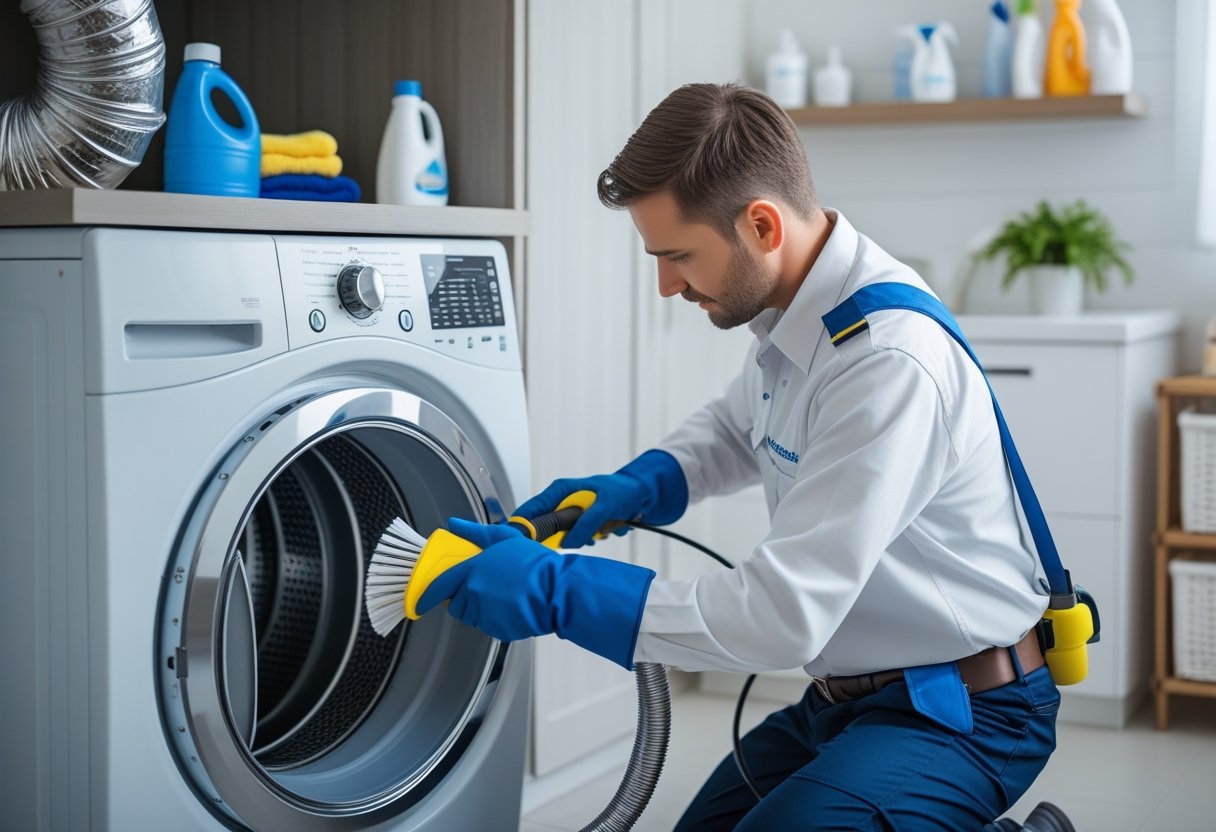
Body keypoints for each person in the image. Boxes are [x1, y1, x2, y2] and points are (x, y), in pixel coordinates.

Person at [414, 83, 1061, 830]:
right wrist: (639, 484)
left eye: (678, 255)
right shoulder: (800, 317)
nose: (665, 285)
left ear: (760, 225)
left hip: (966, 713)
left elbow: (781, 617)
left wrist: (558, 591)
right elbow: (735, 427)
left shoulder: (886, 362)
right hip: (845, 701)